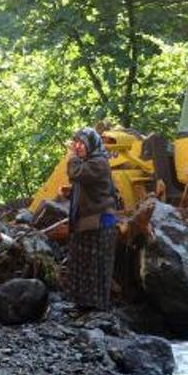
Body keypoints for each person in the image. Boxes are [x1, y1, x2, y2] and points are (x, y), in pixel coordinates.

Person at [65, 127, 117, 311]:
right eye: (75, 143)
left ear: (92, 145)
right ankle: (83, 305)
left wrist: (71, 157)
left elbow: (76, 172)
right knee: (83, 263)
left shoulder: (99, 163)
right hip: (88, 222)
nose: (77, 147)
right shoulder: (90, 161)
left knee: (96, 265)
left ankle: (96, 308)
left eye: (81, 143)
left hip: (100, 222)